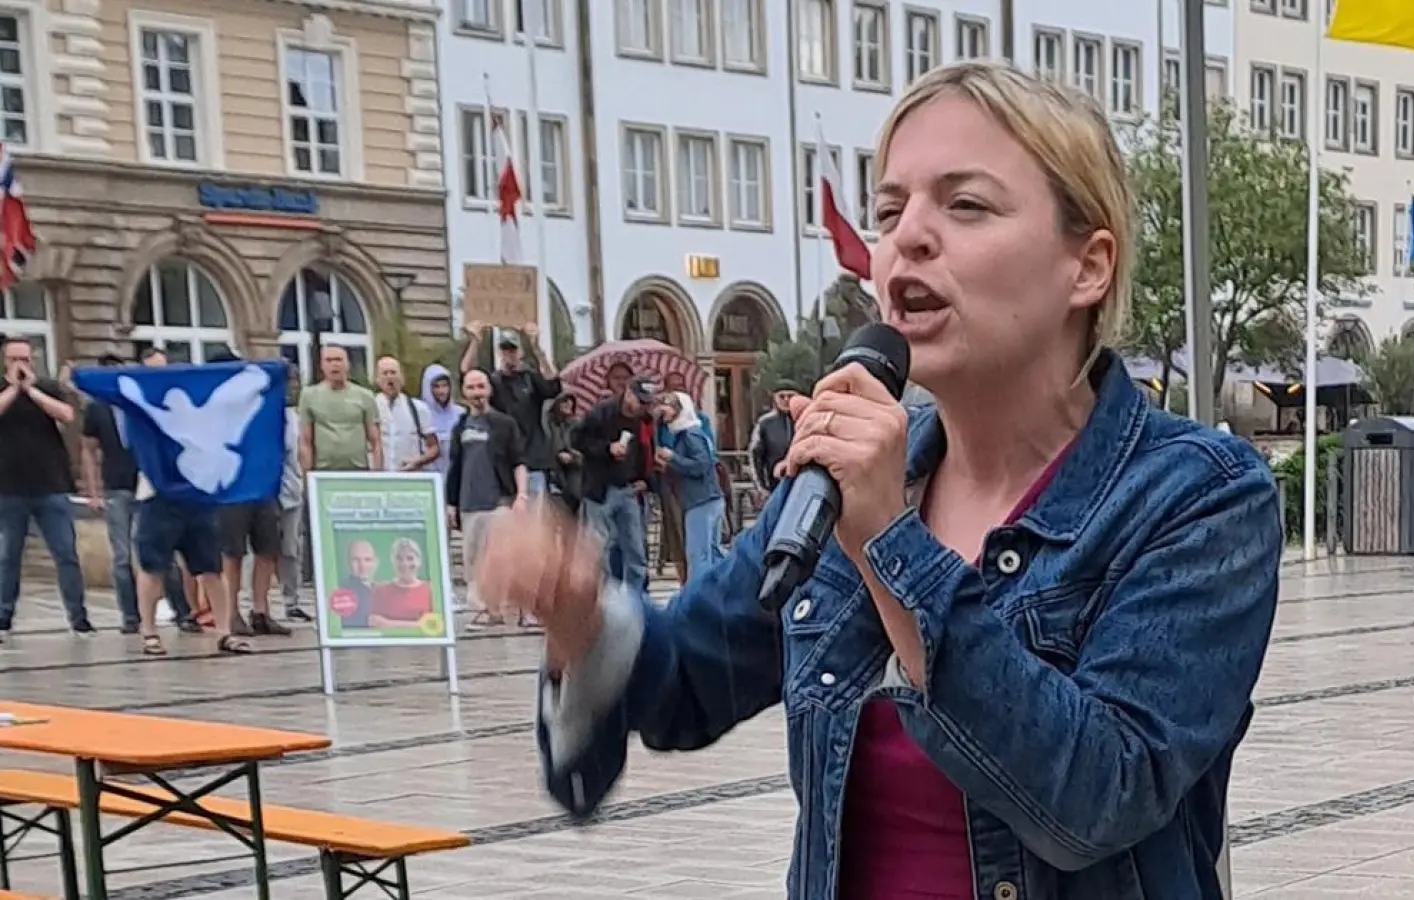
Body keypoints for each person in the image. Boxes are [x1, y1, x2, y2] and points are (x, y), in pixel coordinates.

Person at [481, 62, 1280, 898]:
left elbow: (1099, 796)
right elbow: (685, 682)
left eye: (965, 204)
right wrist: (578, 611)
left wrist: (891, 549)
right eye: (891, 210)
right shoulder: (842, 483)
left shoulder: (1197, 497)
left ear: (1088, 267)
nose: (909, 237)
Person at [130, 350, 251, 656]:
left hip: (197, 495)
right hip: (158, 497)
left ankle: (224, 631)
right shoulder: (139, 408)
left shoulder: (192, 408)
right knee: (152, 565)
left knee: (210, 567)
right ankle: (149, 632)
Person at [80, 353, 200, 635]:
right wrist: (93, 490)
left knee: (163, 553)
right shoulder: (96, 409)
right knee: (122, 556)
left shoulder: (143, 404)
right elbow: (88, 448)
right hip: (118, 484)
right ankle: (131, 617)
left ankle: (182, 611)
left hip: (150, 484)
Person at [0, 337, 93, 639]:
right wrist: (14, 389)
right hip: (9, 486)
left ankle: (78, 616)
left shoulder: (48, 387)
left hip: (51, 484)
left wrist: (31, 390)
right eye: (14, 359)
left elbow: (66, 415)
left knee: (65, 552)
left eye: (25, 359)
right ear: (4, 361)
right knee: (8, 555)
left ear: (33, 360)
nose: (20, 365)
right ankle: (3, 615)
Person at [208, 348, 291, 639]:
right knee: (232, 552)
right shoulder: (212, 405)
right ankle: (230, 612)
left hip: (260, 483)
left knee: (268, 549)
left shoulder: (254, 399)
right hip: (230, 487)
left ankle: (260, 610)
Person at [445, 369, 528, 629]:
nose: (477, 393)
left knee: (503, 558)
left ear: (489, 390)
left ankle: (515, 608)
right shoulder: (460, 426)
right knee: (474, 559)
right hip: (470, 503)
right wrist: (451, 503)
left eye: (481, 386)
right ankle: (490, 611)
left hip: (499, 500)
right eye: (471, 388)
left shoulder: (505, 424)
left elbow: (519, 462)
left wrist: (522, 495)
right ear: (464, 393)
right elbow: (455, 466)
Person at [458, 321, 563, 495]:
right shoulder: (493, 381)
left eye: (513, 350)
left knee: (534, 517)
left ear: (520, 352)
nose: (509, 355)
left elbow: (554, 385)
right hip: (504, 462)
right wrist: (475, 342)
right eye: (505, 350)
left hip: (533, 461)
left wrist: (538, 350)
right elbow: (467, 374)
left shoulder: (530, 377)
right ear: (499, 353)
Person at [569, 376, 653, 592]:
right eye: (639, 401)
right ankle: (604, 597)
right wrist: (607, 448)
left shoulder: (641, 419)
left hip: (627, 488)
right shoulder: (600, 413)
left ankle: (637, 599)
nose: (641, 407)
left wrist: (644, 477)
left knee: (635, 548)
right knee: (599, 548)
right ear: (628, 392)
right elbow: (576, 439)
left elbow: (643, 448)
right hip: (600, 489)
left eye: (646, 403)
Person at [654, 391, 725, 579]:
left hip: (700, 500)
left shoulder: (689, 435)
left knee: (698, 555)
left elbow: (701, 465)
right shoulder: (690, 433)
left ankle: (698, 599)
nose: (663, 410)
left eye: (668, 405)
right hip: (708, 498)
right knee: (713, 553)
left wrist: (672, 458)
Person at [299, 344, 382, 473]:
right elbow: (305, 441)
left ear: (347, 364)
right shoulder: (309, 396)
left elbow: (376, 441)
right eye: (329, 360)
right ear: (322, 366)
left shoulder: (365, 396)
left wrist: (378, 474)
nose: (334, 364)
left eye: (338, 359)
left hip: (358, 470)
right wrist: (307, 479)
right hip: (323, 471)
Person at [278, 363, 310, 622]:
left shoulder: (294, 417)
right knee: (264, 551)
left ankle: (291, 600)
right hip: (265, 492)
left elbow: (302, 450)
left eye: (294, 382)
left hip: (291, 489)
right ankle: (258, 604)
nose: (291, 387)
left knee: (291, 548)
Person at [374, 356, 439, 473]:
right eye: (385, 373)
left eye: (393, 372)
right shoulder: (371, 407)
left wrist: (418, 461)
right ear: (377, 379)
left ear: (402, 378)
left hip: (409, 478)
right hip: (379, 478)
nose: (390, 377)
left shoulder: (418, 408)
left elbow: (434, 448)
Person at [748, 381, 800, 494]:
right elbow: (755, 456)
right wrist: (760, 487)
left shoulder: (805, 419)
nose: (786, 400)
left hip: (802, 482)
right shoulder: (765, 423)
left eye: (790, 396)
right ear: (775, 398)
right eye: (782, 396)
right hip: (774, 485)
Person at [369, 538, 432, 627]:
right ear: (393, 561)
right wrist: (419, 625)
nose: (405, 564)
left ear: (419, 561)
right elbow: (374, 622)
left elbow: (435, 624)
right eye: (399, 558)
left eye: (410, 558)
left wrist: (388, 624)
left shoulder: (430, 590)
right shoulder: (380, 590)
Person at [423, 364, 464, 476]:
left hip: (455, 475)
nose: (442, 391)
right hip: (430, 476)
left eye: (445, 385)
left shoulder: (461, 414)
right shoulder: (421, 414)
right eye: (436, 386)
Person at [546, 392, 583, 515]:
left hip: (573, 478)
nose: (568, 404)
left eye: (570, 401)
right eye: (564, 401)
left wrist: (572, 457)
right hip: (552, 474)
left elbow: (585, 452)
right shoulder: (548, 424)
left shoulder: (577, 426)